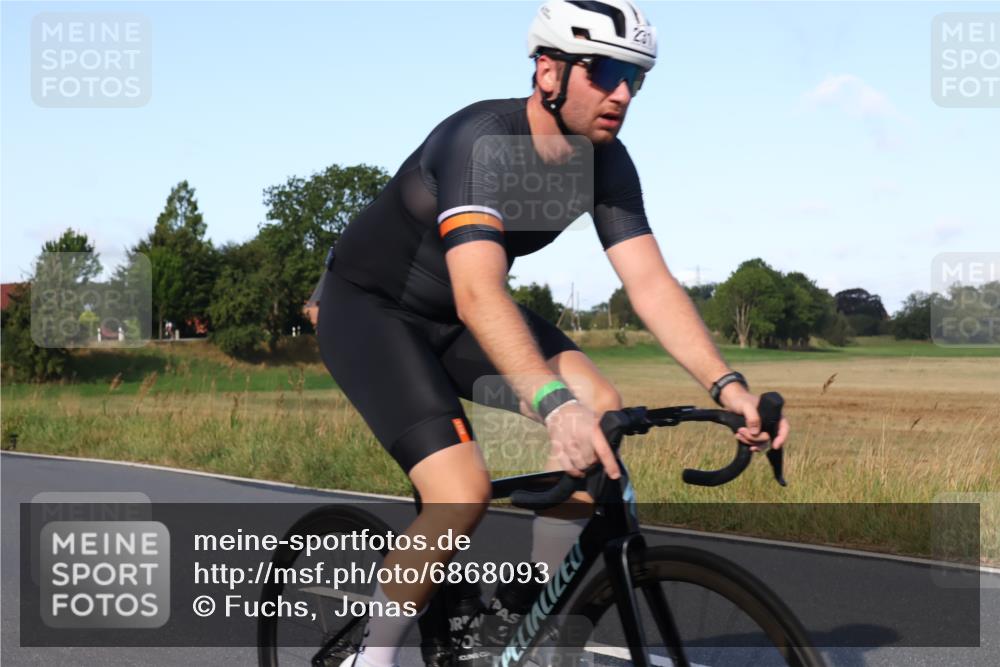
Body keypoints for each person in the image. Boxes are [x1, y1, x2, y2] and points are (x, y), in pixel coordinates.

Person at [315, 1, 790, 666]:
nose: (622, 93)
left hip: (459, 315)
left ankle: (525, 622)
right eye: (603, 71)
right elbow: (480, 290)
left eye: (636, 78)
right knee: (461, 491)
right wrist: (547, 401)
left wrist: (729, 384)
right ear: (548, 71)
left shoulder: (606, 163)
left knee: (601, 417)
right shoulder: (482, 142)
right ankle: (374, 657)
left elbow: (650, 284)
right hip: (371, 310)